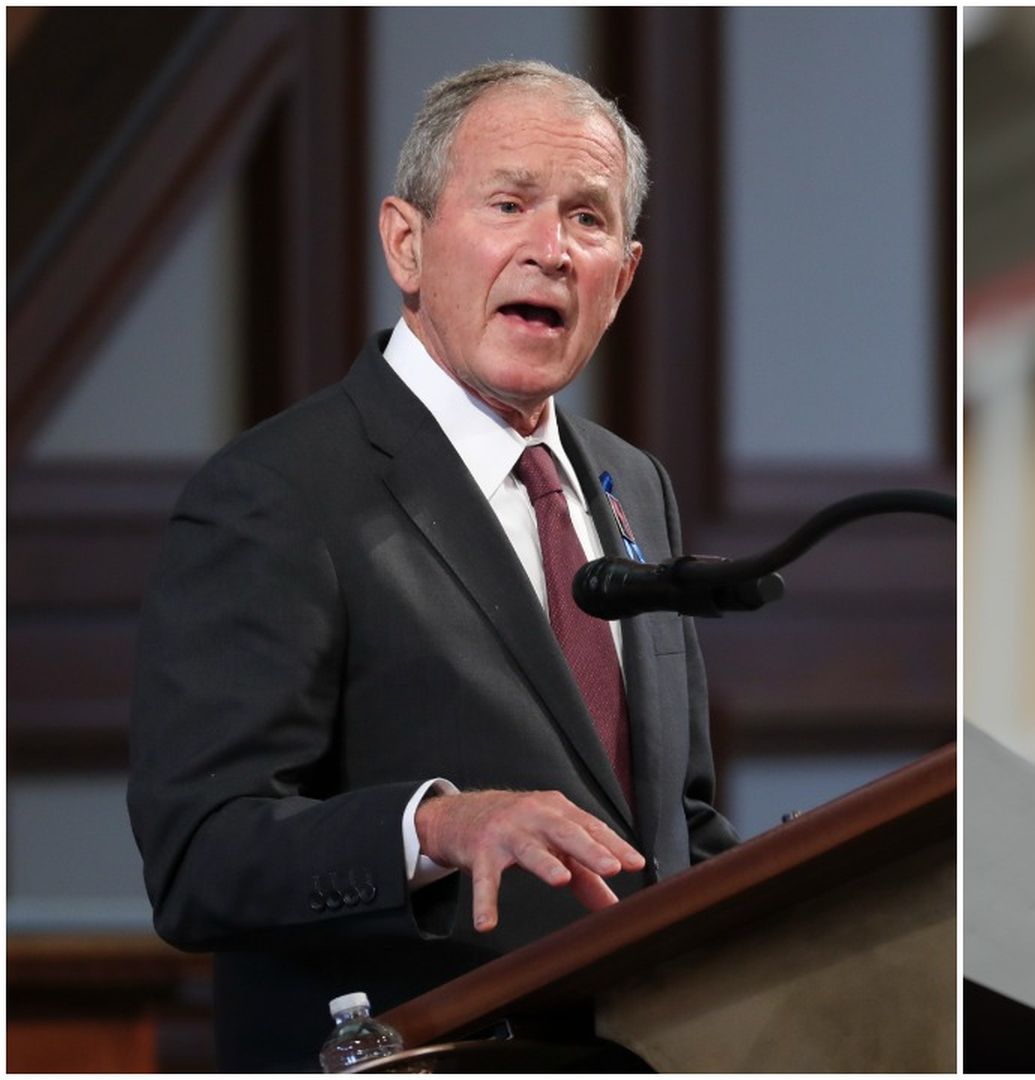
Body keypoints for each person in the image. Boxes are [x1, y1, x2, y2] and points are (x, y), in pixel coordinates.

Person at [127, 60, 738, 1070]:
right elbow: (202, 856)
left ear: (621, 279)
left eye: (587, 221)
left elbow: (677, 821)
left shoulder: (636, 485)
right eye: (510, 204)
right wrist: (433, 827)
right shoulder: (279, 492)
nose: (551, 250)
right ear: (406, 243)